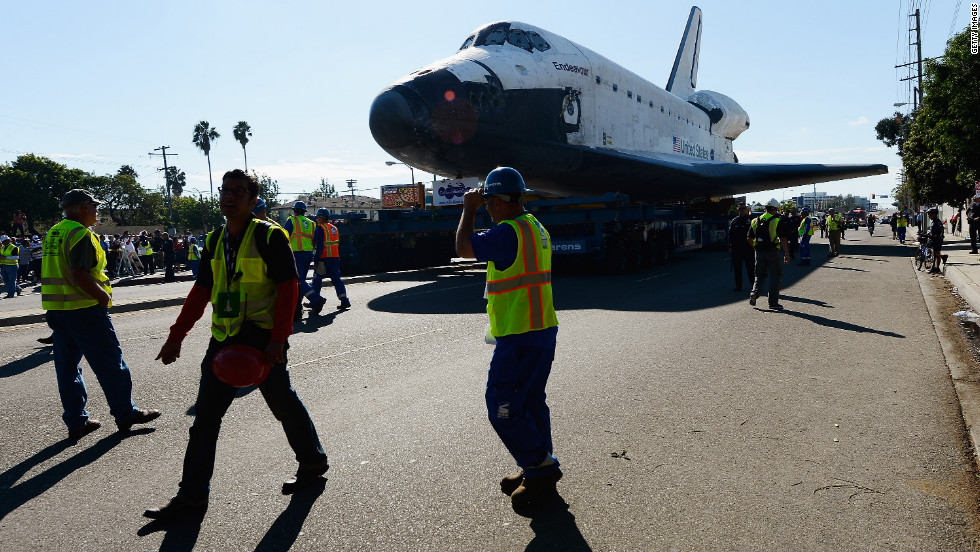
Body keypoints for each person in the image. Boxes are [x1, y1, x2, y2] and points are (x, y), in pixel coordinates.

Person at [147, 169, 328, 521]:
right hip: (225, 338)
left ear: (252, 198)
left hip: (262, 338)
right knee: (204, 421)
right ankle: (192, 497)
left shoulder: (269, 235)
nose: (229, 196)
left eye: (238, 191)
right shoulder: (215, 240)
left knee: (283, 403)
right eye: (225, 190)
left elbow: (289, 289)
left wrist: (278, 339)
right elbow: (200, 290)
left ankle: (312, 462)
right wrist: (176, 336)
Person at [455, 167, 562, 509]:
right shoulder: (535, 227)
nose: (486, 207)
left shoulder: (506, 233)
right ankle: (535, 466)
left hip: (519, 336)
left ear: (500, 201)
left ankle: (540, 468)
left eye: (487, 202)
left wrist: (467, 208)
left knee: (500, 407)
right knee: (530, 402)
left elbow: (463, 248)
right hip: (542, 329)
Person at [41, 189, 160, 441]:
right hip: (85, 310)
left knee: (67, 368)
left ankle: (76, 421)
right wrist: (103, 297)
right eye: (94, 207)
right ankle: (125, 413)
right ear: (83, 207)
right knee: (110, 364)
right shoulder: (80, 233)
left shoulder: (55, 232)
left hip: (58, 311)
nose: (97, 212)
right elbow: (79, 274)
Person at [283, 201, 327, 318]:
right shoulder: (311, 223)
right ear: (304, 211)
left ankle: (316, 299)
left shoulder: (292, 220)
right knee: (300, 280)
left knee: (298, 280)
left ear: (295, 210)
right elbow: (315, 239)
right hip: (308, 253)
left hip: (297, 253)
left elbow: (284, 236)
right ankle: (298, 305)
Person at [748, 204, 790, 310]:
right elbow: (783, 239)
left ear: (765, 210)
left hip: (759, 252)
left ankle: (754, 293)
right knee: (775, 276)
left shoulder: (755, 221)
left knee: (759, 275)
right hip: (772, 252)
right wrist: (786, 253)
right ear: (774, 211)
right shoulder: (776, 221)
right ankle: (773, 303)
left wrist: (755, 247)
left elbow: (749, 237)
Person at [312, 208, 351, 309]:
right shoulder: (334, 228)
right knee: (337, 280)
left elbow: (319, 246)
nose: (316, 219)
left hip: (323, 259)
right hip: (334, 258)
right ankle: (344, 300)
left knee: (316, 281)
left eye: (317, 217)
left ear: (321, 218)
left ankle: (315, 302)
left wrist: (315, 261)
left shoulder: (320, 229)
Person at [727, 204, 755, 291]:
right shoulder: (734, 221)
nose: (742, 210)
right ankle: (738, 286)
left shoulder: (751, 220)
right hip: (737, 248)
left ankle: (753, 285)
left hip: (748, 247)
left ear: (746, 209)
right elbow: (730, 234)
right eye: (740, 208)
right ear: (737, 210)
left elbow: (755, 233)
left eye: (744, 208)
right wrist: (730, 246)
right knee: (737, 268)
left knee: (750, 268)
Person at [927, 207, 945, 274]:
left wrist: (940, 235)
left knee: (937, 254)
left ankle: (937, 268)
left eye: (930, 214)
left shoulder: (938, 222)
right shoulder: (932, 222)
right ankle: (933, 264)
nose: (929, 216)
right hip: (932, 239)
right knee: (931, 251)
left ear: (934, 214)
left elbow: (941, 228)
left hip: (937, 239)